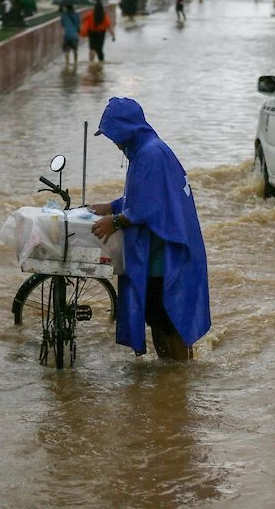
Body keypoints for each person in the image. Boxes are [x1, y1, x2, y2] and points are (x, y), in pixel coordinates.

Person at [89, 97, 211, 361]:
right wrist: (110, 206)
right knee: (158, 315)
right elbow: (147, 196)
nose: (114, 143)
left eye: (114, 135)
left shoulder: (149, 155)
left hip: (165, 253)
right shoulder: (149, 149)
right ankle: (170, 377)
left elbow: (148, 208)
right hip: (165, 247)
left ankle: (176, 379)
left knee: (166, 316)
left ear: (125, 130)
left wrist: (116, 222)